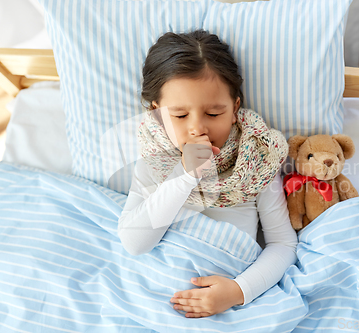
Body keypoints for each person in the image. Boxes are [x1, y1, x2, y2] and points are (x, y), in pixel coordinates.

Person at [118, 29, 298, 319]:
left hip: (230, 305)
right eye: (179, 115)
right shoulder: (154, 162)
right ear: (157, 114)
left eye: (214, 114)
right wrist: (184, 175)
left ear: (235, 108)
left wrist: (239, 291)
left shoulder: (256, 160)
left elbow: (283, 244)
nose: (198, 128)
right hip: (155, 297)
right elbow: (134, 243)